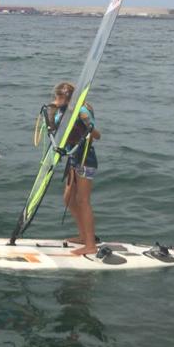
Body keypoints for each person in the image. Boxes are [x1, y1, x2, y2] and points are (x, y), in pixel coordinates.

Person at [42, 81, 102, 256]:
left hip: (85, 159)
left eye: (58, 97)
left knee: (83, 201)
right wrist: (52, 110)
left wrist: (88, 125)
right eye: (55, 97)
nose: (55, 100)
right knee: (68, 198)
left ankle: (91, 244)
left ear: (67, 98)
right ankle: (83, 236)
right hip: (72, 160)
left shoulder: (82, 110)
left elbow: (97, 136)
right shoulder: (61, 111)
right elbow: (53, 129)